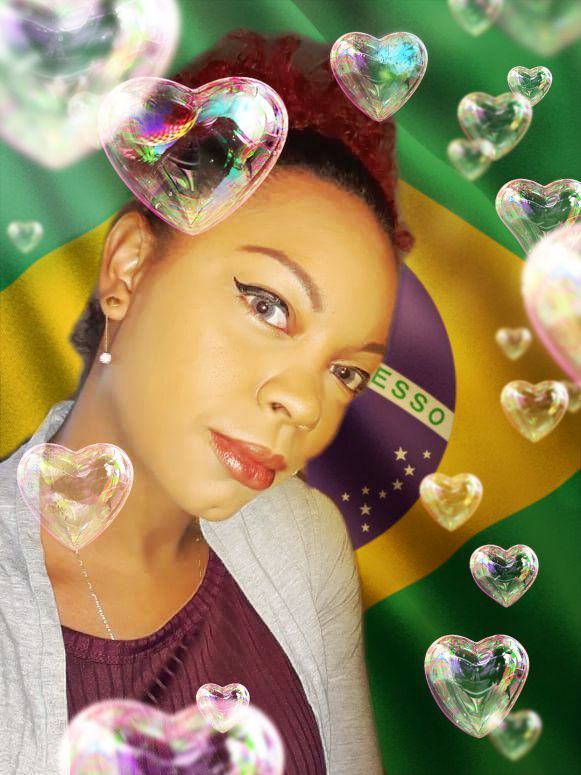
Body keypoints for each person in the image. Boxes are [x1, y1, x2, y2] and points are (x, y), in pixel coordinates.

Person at [0, 28, 413, 775]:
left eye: (347, 372)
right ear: (128, 269)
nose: (302, 403)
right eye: (267, 304)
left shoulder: (302, 539)